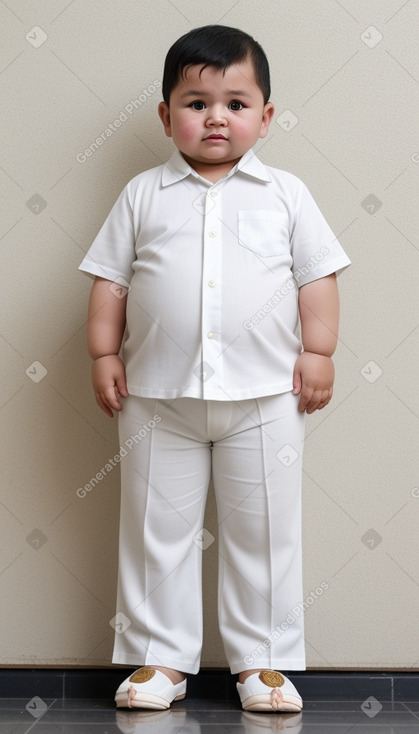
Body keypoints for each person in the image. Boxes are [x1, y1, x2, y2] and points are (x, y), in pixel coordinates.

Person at [79, 24, 351, 713]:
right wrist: (104, 353)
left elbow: (316, 278)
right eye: (196, 103)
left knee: (263, 528)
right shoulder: (144, 194)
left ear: (265, 117)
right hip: (156, 397)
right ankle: (160, 660)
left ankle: (261, 663)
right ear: (167, 117)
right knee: (153, 528)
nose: (215, 118)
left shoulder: (285, 194)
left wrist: (317, 354)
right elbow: (109, 281)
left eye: (235, 102)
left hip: (265, 397)